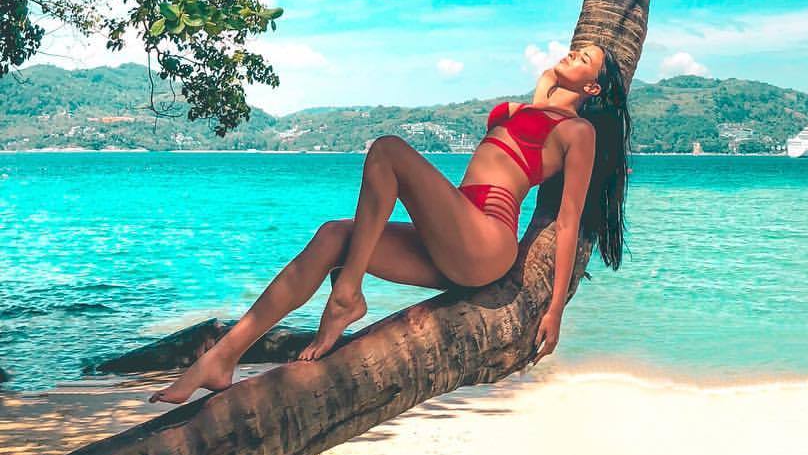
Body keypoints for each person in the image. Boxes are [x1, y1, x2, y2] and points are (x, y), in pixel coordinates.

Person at [149, 43, 631, 403]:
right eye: (575, 49)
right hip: (453, 236)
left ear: (593, 89)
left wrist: (554, 310)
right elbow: (541, 93)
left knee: (388, 151)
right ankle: (223, 357)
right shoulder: (529, 109)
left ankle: (347, 293)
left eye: (584, 57)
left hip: (487, 239)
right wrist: (552, 79)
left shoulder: (578, 131)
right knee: (333, 235)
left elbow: (567, 221)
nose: (572, 52)